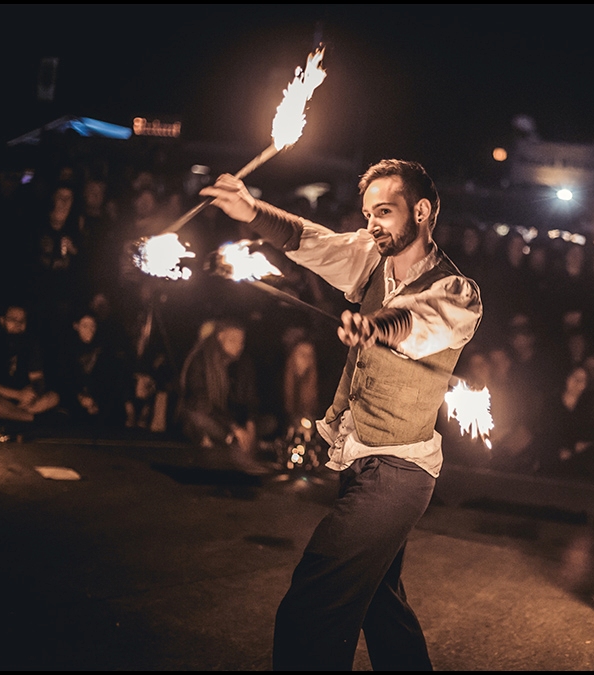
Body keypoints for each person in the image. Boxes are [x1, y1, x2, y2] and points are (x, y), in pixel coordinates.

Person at [200, 158, 483, 670]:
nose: (372, 223)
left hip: (398, 473)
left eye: (385, 211)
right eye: (367, 212)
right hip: (359, 464)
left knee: (312, 606)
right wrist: (249, 210)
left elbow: (421, 323)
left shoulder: (457, 291)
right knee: (379, 603)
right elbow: (310, 240)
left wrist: (377, 326)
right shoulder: (368, 259)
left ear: (421, 212)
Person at [177, 317, 262, 469]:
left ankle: (239, 451)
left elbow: (249, 399)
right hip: (209, 418)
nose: (239, 346)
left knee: (268, 423)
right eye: (233, 340)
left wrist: (250, 426)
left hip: (233, 420)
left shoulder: (243, 364)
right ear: (220, 337)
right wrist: (233, 428)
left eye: (241, 341)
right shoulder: (201, 360)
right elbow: (200, 401)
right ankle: (227, 445)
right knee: (198, 419)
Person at [0, 302, 61, 441]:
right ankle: (36, 421)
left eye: (22, 320)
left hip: (25, 402)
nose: (18, 324)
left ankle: (18, 419)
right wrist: (17, 395)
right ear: (3, 320)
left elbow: (37, 377)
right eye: (13, 319)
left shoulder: (31, 343)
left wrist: (33, 392)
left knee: (53, 397)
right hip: (3, 397)